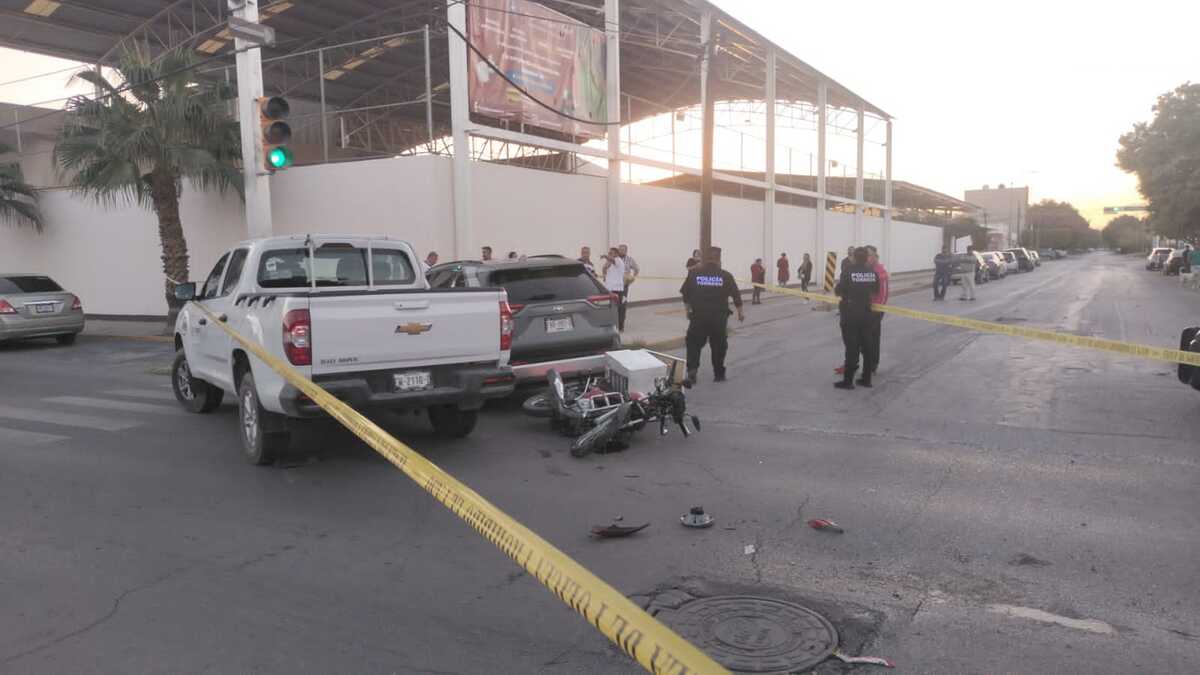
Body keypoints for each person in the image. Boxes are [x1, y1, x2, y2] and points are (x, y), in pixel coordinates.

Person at [680, 246, 744, 385]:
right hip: (718, 318)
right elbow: (736, 295)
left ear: (704, 258)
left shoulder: (694, 274)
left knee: (693, 344)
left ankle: (692, 371)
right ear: (719, 258)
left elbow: (685, 294)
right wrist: (740, 312)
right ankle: (719, 373)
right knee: (719, 345)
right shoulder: (725, 275)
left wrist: (687, 310)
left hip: (698, 317)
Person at [833, 247, 879, 390]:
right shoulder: (872, 272)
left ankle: (848, 381)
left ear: (854, 257)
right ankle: (866, 379)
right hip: (866, 313)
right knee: (867, 346)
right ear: (866, 258)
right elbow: (875, 290)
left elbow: (839, 291)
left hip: (850, 313)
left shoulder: (848, 271)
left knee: (851, 348)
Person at [862, 245, 889, 385]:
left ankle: (872, 364)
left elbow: (884, 293)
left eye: (870, 255)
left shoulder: (880, 272)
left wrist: (878, 310)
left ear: (875, 256)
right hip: (866, 309)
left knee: (870, 337)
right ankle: (871, 364)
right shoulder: (867, 270)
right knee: (870, 337)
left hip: (876, 310)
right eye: (866, 255)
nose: (868, 257)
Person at [602, 247, 628, 331]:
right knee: (610, 309)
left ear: (616, 254)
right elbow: (605, 271)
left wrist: (605, 256)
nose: (609, 254)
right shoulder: (610, 263)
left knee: (618, 310)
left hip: (617, 290)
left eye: (611, 253)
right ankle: (612, 326)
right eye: (609, 253)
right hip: (609, 289)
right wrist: (605, 268)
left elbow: (612, 260)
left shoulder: (618, 260)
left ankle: (620, 327)